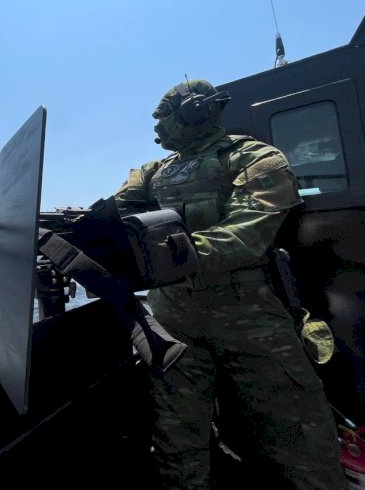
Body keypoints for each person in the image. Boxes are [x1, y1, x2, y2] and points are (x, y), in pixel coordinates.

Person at [114, 79, 346, 489]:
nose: (158, 127)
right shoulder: (153, 172)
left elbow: (246, 235)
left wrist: (164, 256)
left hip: (248, 315)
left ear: (196, 111)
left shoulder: (255, 158)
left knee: (298, 434)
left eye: (164, 116)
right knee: (176, 435)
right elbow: (114, 214)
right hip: (173, 315)